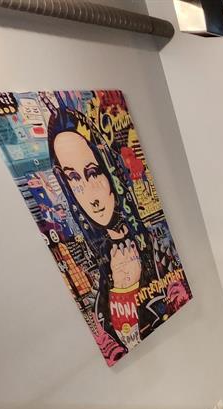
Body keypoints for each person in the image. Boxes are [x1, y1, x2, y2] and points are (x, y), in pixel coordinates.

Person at [44, 94, 173, 358]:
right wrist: (124, 288)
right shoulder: (102, 290)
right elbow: (120, 346)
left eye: (93, 172)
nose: (90, 194)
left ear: (110, 171)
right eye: (74, 179)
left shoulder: (159, 248)